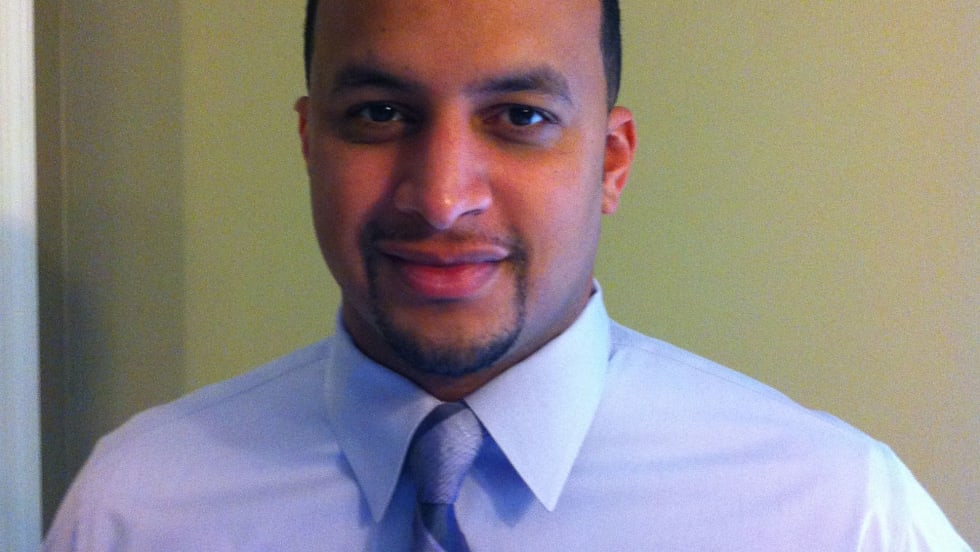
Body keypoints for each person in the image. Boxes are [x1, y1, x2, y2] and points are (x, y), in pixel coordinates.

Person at [44, 0, 971, 550]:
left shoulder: (833, 516)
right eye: (379, 113)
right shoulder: (140, 508)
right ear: (309, 142)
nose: (443, 199)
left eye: (521, 117)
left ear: (611, 163)